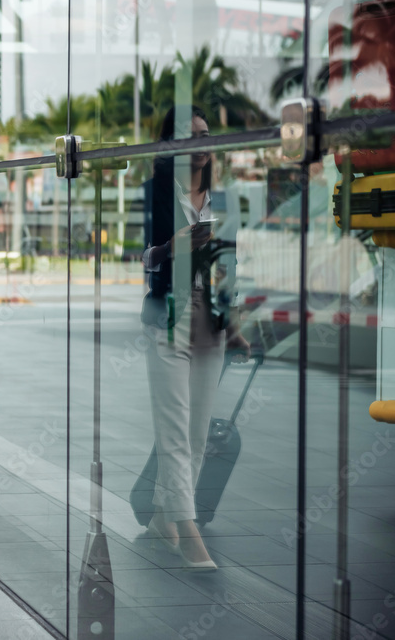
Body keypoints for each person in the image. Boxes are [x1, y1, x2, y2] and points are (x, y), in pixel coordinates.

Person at [141, 105, 247, 570]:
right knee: (175, 430)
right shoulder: (155, 193)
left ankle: (165, 517)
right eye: (192, 136)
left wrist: (236, 324)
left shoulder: (220, 202)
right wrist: (171, 247)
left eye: (207, 135)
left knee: (198, 431)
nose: (203, 144)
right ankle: (187, 531)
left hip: (211, 320)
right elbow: (141, 257)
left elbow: (230, 266)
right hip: (169, 315)